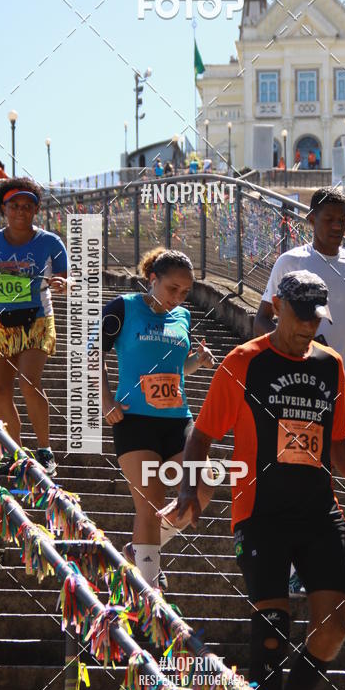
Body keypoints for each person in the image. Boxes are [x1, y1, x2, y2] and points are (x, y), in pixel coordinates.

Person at [159, 270, 345, 690]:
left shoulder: (330, 364)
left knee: (332, 632)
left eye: (316, 318)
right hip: (261, 513)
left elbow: (338, 441)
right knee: (272, 632)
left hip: (318, 513)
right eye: (301, 315)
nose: (309, 325)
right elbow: (201, 436)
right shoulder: (244, 362)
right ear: (279, 307)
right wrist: (188, 488)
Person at [254, 188, 345, 603]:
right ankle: (301, 567)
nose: (337, 226)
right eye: (328, 218)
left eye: (343, 219)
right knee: (309, 472)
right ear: (310, 219)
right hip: (303, 381)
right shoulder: (290, 261)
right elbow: (263, 317)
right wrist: (288, 351)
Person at [100, 247, 214, 589]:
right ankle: (148, 590)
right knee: (150, 503)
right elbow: (92, 354)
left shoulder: (183, 317)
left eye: (185, 292)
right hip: (135, 420)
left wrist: (197, 361)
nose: (178, 297)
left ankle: (141, 549)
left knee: (202, 488)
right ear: (152, 279)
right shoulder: (123, 307)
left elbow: (175, 367)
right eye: (172, 288)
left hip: (178, 420)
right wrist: (106, 401)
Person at [0, 178, 67, 474]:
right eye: (14, 205)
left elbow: (65, 277)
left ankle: (44, 450)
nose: (20, 211)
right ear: (3, 209)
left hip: (37, 319)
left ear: (36, 210)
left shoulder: (50, 241)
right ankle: (15, 453)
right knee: (0, 390)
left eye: (27, 206)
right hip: (0, 322)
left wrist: (63, 284)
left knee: (28, 381)